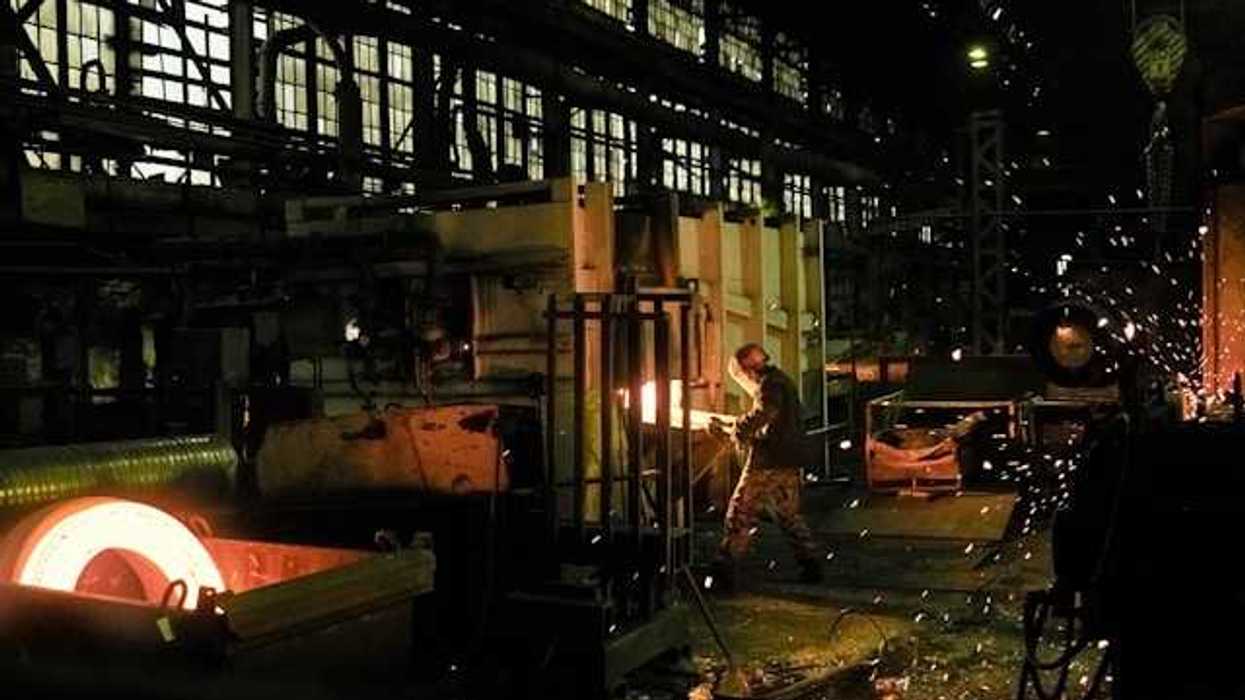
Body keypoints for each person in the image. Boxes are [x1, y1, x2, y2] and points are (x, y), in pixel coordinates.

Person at [710, 343, 822, 591]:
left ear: (748, 369)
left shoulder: (770, 385)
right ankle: (811, 563)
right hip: (788, 458)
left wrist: (739, 427)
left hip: (768, 460)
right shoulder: (781, 380)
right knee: (787, 513)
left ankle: (724, 570)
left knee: (739, 512)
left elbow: (764, 414)